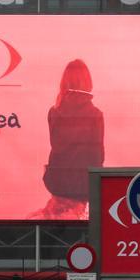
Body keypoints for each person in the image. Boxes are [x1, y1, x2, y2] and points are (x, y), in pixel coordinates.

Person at [36, 59, 104, 219]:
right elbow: (98, 156)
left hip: (57, 183)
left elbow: (57, 145)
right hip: (83, 186)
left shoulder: (54, 112)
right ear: (88, 82)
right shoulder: (95, 114)